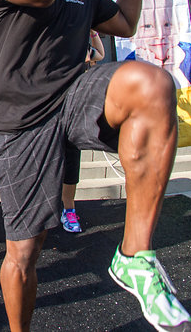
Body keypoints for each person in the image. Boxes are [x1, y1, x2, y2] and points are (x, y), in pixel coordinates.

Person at [0, 0, 191, 332]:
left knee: (153, 83)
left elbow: (127, 23)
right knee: (25, 250)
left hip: (76, 95)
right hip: (22, 121)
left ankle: (135, 256)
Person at [60, 31, 107, 233]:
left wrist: (93, 33)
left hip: (74, 115)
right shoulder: (48, 47)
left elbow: (100, 55)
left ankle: (68, 209)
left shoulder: (81, 48)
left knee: (71, 166)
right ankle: (44, 209)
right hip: (49, 115)